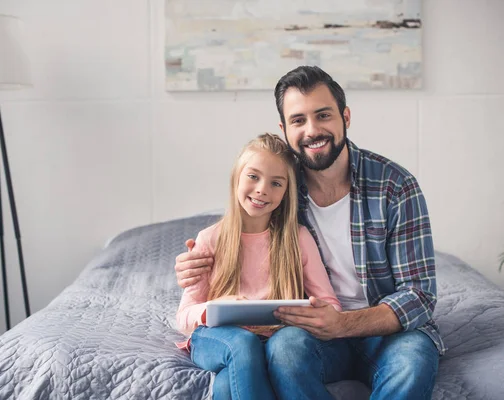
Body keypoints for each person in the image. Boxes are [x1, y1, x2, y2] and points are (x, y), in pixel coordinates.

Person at [174, 66, 444, 400]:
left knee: (412, 360)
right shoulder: (280, 185)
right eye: (298, 120)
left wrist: (342, 324)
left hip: (387, 332)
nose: (312, 130)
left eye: (323, 115)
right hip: (308, 335)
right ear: (284, 128)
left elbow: (420, 295)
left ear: (345, 116)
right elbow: (244, 224)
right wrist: (198, 262)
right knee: (285, 349)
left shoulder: (394, 186)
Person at [176, 133, 341, 400]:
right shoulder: (210, 239)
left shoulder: (297, 238)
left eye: (276, 183)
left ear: (286, 192)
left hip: (275, 337)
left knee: (226, 387)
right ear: (236, 178)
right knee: (243, 344)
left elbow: (331, 305)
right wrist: (216, 308)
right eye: (253, 176)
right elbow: (184, 317)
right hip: (216, 339)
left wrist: (311, 314)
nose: (263, 189)